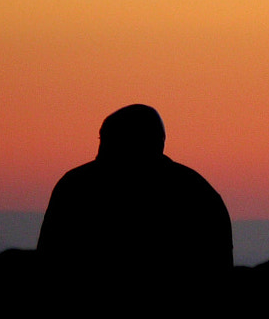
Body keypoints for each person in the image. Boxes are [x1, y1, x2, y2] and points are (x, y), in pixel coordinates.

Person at [37, 104, 232, 290]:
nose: (101, 151)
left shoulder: (76, 186)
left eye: (111, 141)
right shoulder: (198, 192)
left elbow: (49, 261)